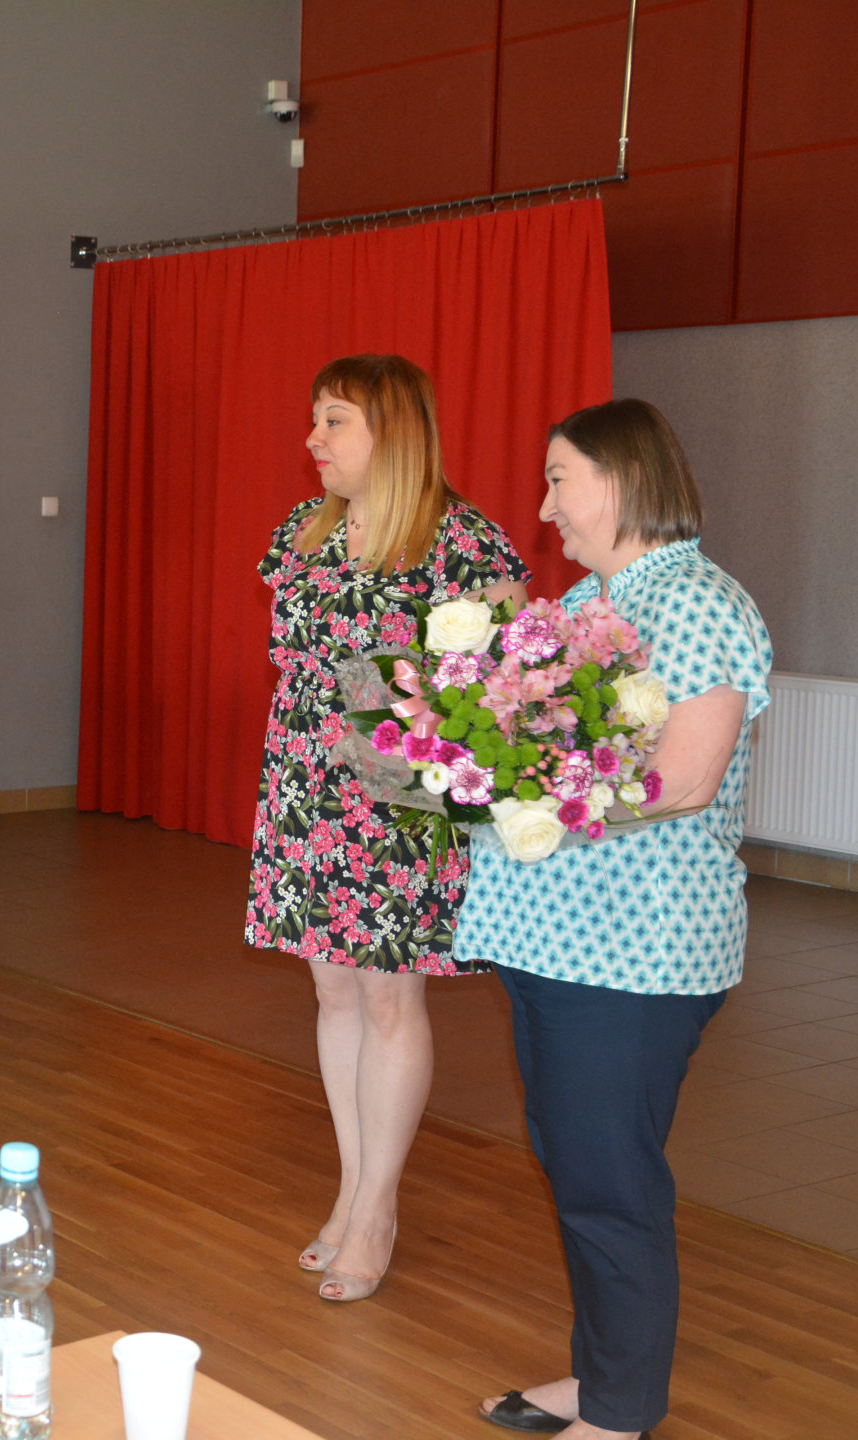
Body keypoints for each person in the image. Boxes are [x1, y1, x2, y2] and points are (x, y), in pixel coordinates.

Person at [460, 400, 771, 1440]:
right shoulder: (592, 603)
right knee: (576, 1163)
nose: (546, 506)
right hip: (556, 941)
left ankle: (621, 1411)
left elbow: (683, 780)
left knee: (610, 1179)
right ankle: (599, 1382)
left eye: (561, 479)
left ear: (625, 479)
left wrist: (532, 794)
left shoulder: (699, 604)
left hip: (635, 952)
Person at [245, 354, 530, 1302]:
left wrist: (412, 739)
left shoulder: (462, 539)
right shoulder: (306, 529)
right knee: (332, 993)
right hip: (304, 777)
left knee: (387, 1001)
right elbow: (297, 662)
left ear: (393, 430)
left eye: (334, 421)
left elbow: (511, 687)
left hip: (399, 787)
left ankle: (377, 1209)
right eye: (315, 419)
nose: (313, 440)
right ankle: (351, 1188)